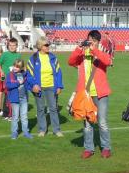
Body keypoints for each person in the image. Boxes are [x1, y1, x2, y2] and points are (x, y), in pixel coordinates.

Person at [68, 30, 113, 158]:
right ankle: (89, 148)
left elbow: (108, 61)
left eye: (94, 40)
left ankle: (106, 148)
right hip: (86, 94)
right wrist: (79, 48)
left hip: (100, 93)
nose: (91, 42)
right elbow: (70, 62)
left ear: (98, 42)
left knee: (102, 122)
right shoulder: (82, 54)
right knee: (87, 123)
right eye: (89, 40)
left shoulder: (101, 52)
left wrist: (95, 51)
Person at [27, 37, 64, 137]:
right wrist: (34, 84)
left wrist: (59, 86)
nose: (48, 47)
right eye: (46, 45)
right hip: (38, 88)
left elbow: (58, 72)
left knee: (53, 108)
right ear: (40, 46)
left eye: (48, 45)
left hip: (51, 86)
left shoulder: (53, 57)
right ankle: (42, 130)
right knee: (40, 109)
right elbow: (29, 74)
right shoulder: (33, 58)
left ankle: (56, 130)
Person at [5, 59, 35, 139]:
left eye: (18, 67)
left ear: (21, 68)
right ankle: (14, 132)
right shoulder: (10, 75)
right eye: (14, 66)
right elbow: (8, 85)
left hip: (24, 98)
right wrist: (18, 83)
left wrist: (33, 89)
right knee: (15, 116)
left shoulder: (25, 74)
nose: (15, 68)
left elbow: (28, 84)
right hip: (15, 99)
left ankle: (26, 132)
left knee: (24, 116)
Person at [0, 37, 20, 120]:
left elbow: (20, 66)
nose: (12, 47)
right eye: (10, 45)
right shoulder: (5, 54)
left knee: (14, 96)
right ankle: (6, 114)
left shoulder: (18, 55)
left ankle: (12, 114)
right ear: (8, 46)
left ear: (16, 46)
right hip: (7, 78)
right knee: (7, 95)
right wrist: (1, 72)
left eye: (14, 45)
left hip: (15, 78)